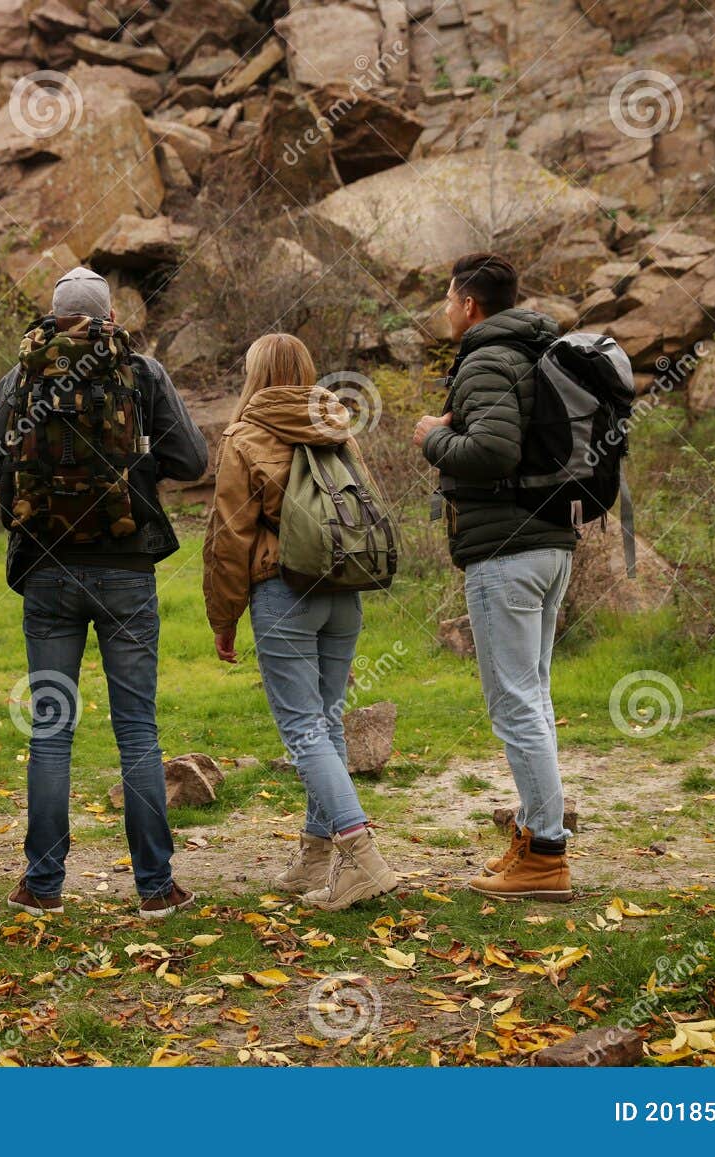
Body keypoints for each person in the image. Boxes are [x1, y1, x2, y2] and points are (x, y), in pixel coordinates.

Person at [0, 267, 208, 920]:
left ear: (51, 315)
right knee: (137, 731)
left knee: (51, 730)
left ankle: (41, 885)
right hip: (127, 569)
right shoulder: (142, 371)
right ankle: (156, 887)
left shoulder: (22, 375)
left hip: (46, 570)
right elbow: (193, 461)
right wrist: (131, 467)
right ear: (107, 317)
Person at [202, 333, 399, 910]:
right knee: (328, 721)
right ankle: (317, 858)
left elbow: (229, 536)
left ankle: (361, 854)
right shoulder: (336, 423)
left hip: (283, 591)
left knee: (303, 729)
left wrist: (224, 616)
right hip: (344, 592)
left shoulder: (244, 435)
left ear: (254, 374)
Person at [412, 253, 575, 902]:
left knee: (513, 703)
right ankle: (537, 837)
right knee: (531, 696)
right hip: (550, 543)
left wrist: (431, 436)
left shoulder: (486, 359)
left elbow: (492, 452)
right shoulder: (538, 351)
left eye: (449, 299)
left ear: (469, 305)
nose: (446, 310)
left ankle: (546, 856)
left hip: (506, 550)